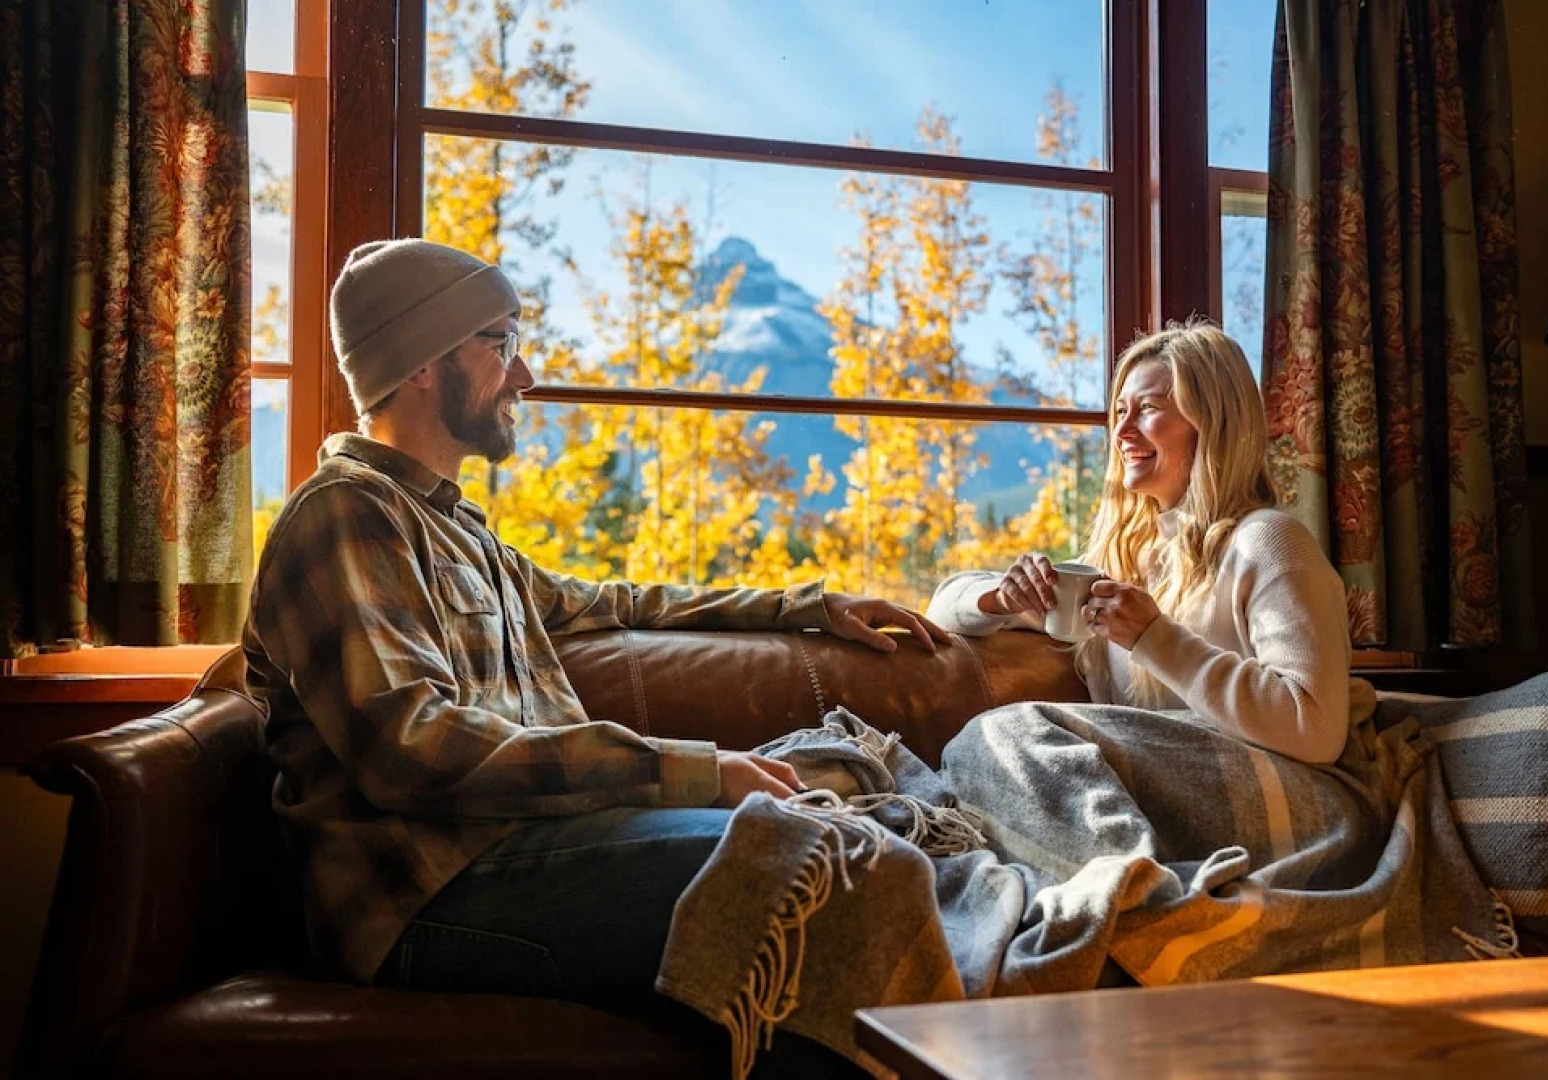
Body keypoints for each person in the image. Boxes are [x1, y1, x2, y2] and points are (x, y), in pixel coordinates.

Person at [241, 239, 943, 1069]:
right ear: (422, 364)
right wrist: (699, 771)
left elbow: (617, 603)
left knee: (844, 819)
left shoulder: (454, 528)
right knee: (828, 868)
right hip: (438, 896)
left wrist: (806, 605)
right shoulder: (345, 517)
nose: (525, 373)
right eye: (499, 343)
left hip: (526, 851)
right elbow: (413, 751)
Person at [927, 322, 1374, 764]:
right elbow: (942, 609)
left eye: (1147, 409)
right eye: (1120, 411)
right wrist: (1001, 597)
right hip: (1161, 782)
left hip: (1269, 786)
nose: (1121, 433)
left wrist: (1153, 637)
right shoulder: (1123, 561)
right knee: (988, 740)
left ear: (1212, 422)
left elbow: (1315, 729)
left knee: (1011, 737)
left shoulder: (1268, 542)